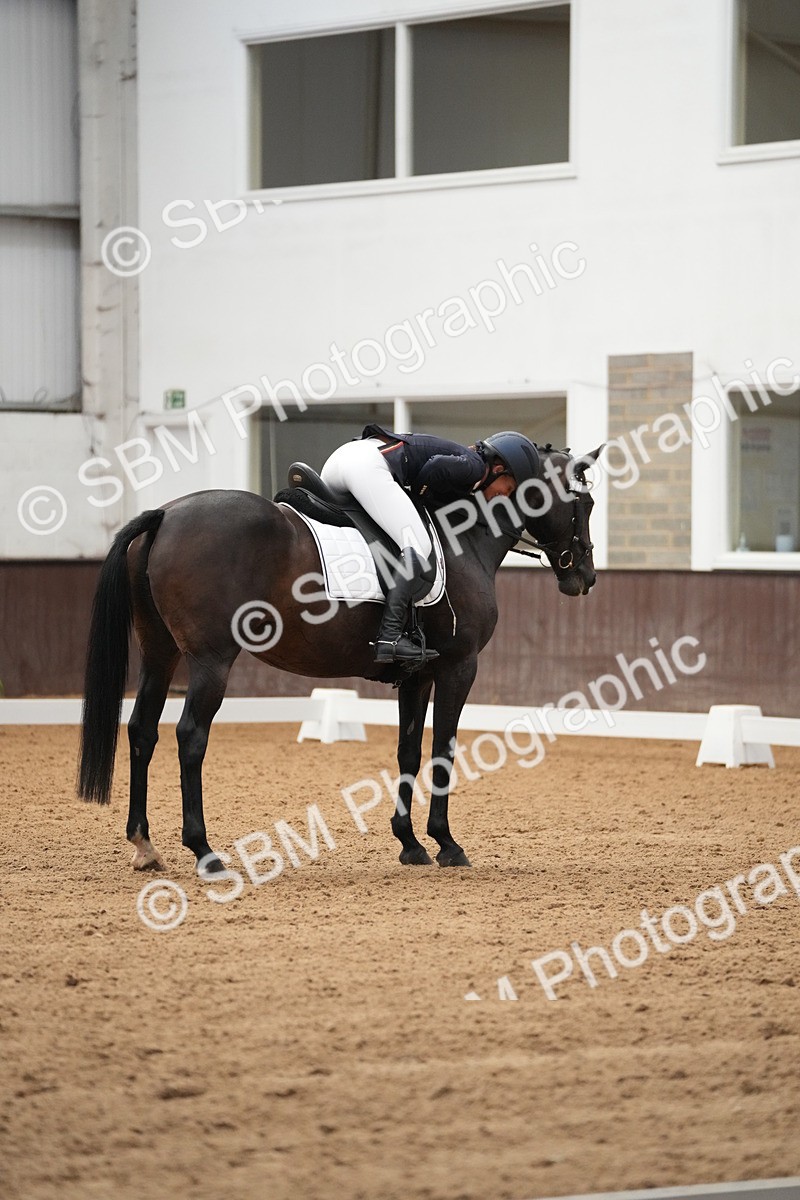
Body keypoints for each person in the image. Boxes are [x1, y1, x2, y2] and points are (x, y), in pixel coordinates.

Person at [320, 424, 540, 666]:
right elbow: (435, 466)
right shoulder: (475, 467)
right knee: (417, 545)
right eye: (508, 488)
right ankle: (390, 637)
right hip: (366, 465)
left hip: (340, 461)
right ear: (498, 470)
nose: (505, 495)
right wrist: (419, 496)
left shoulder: (469, 466)